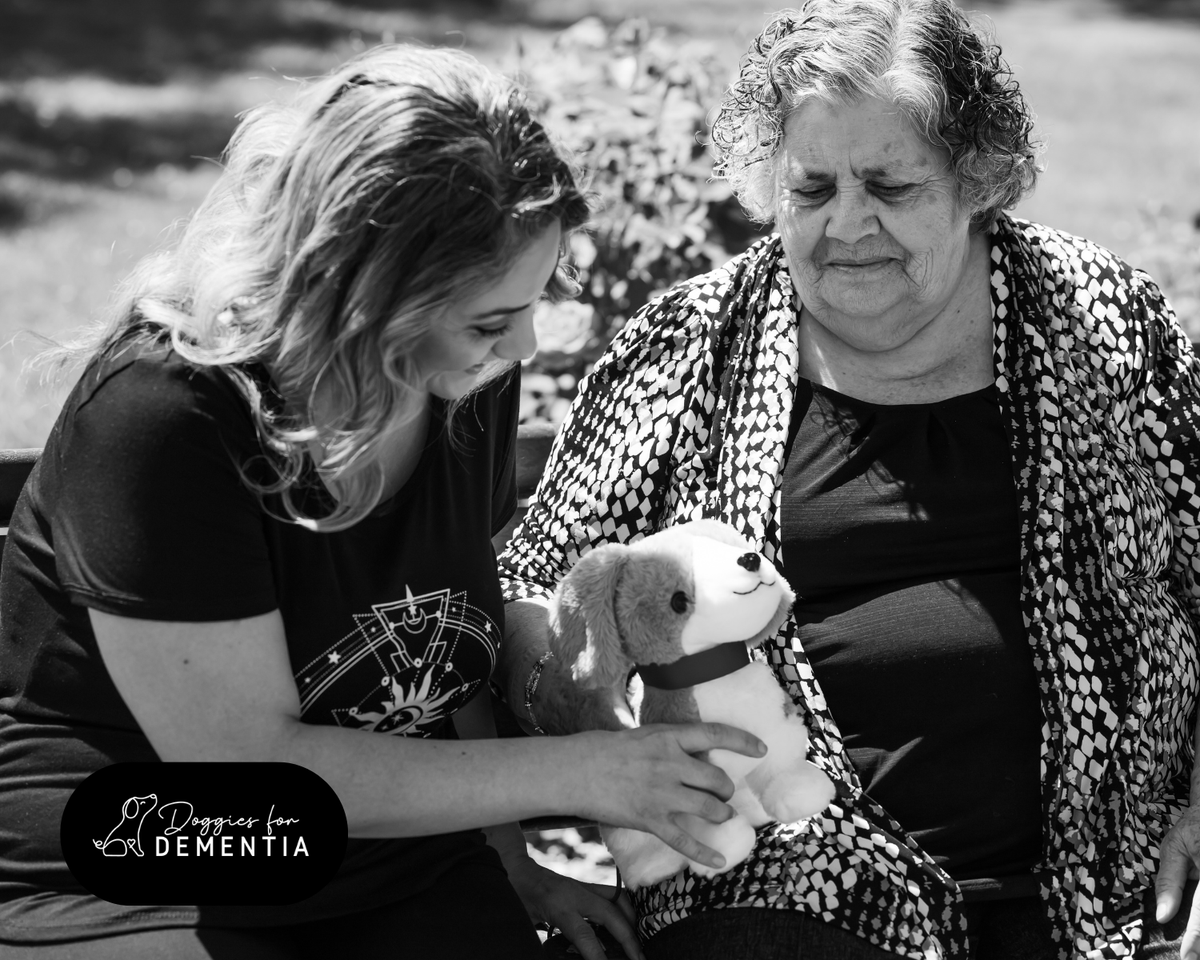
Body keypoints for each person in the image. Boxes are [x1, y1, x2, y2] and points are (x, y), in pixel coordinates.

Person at [0, 45, 769, 960]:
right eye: (491, 321)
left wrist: (510, 864)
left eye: (533, 301)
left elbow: (444, 643)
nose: (524, 347)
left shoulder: (459, 380)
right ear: (362, 305)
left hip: (386, 862)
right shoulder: (166, 417)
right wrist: (577, 772)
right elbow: (250, 772)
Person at [495, 1, 1200, 958]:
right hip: (787, 868)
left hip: (1107, 876)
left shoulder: (1100, 318)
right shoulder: (691, 345)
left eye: (890, 186)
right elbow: (535, 585)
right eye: (813, 187)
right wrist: (586, 713)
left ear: (977, 179)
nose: (848, 223)